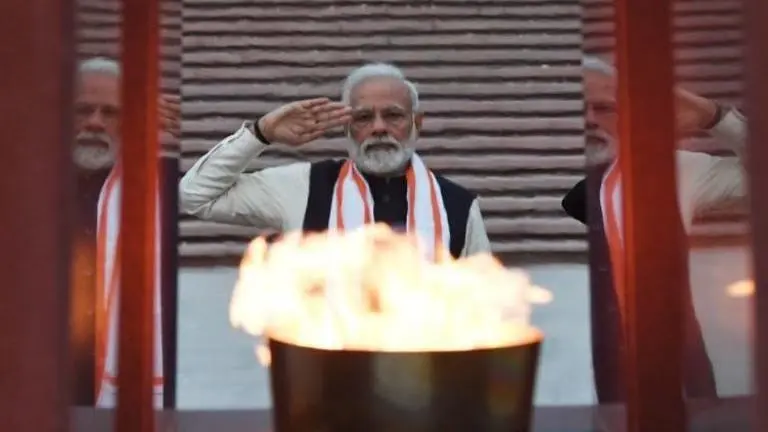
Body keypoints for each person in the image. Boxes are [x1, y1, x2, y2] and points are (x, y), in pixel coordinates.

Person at [562, 56, 747, 402]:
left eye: (603, 107)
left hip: (681, 375)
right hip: (611, 382)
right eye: (578, 110)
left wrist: (715, 117)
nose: (589, 121)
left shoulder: (675, 169)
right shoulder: (582, 190)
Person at [180, 63, 491, 259]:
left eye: (393, 115)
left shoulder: (458, 205)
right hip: (326, 361)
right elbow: (195, 196)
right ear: (346, 126)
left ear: (417, 123)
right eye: (363, 117)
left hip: (424, 362)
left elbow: (484, 307)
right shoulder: (304, 186)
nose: (379, 127)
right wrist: (260, 134)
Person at [71, 57, 180, 407]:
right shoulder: (22, 184)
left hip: (129, 383)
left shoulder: (164, 186)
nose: (94, 123)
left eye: (110, 112)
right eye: (82, 110)